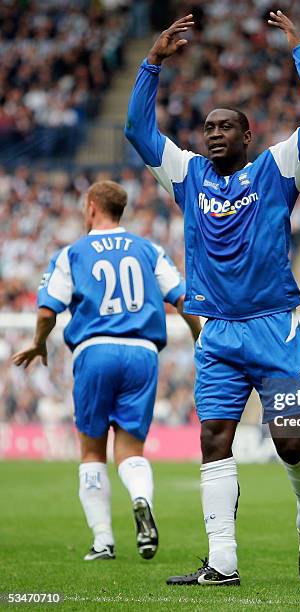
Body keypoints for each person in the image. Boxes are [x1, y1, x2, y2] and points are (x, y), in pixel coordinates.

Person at [125, 11, 300, 585]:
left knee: (290, 442)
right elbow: (139, 135)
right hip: (217, 332)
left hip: (273, 328)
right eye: (208, 127)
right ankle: (223, 561)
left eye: (225, 127)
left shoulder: (276, 170)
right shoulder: (187, 177)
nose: (212, 133)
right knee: (213, 437)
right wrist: (151, 64)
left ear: (247, 136)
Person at [12, 180, 201, 561]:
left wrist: (37, 342)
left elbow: (49, 309)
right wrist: (200, 337)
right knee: (131, 449)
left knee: (92, 450)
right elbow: (183, 298)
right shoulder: (148, 249)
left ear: (92, 206)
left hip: (95, 350)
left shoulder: (73, 253)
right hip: (143, 353)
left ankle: (103, 541)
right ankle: (142, 500)